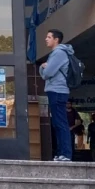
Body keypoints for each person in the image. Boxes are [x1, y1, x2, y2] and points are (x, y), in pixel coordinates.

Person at [39, 29, 76, 162]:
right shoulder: (58, 53)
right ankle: (62, 153)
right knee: (58, 122)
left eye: (49, 37)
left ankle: (65, 154)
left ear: (56, 40)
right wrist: (45, 68)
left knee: (60, 123)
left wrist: (43, 68)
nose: (46, 39)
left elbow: (47, 73)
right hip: (57, 90)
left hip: (57, 90)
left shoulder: (58, 53)